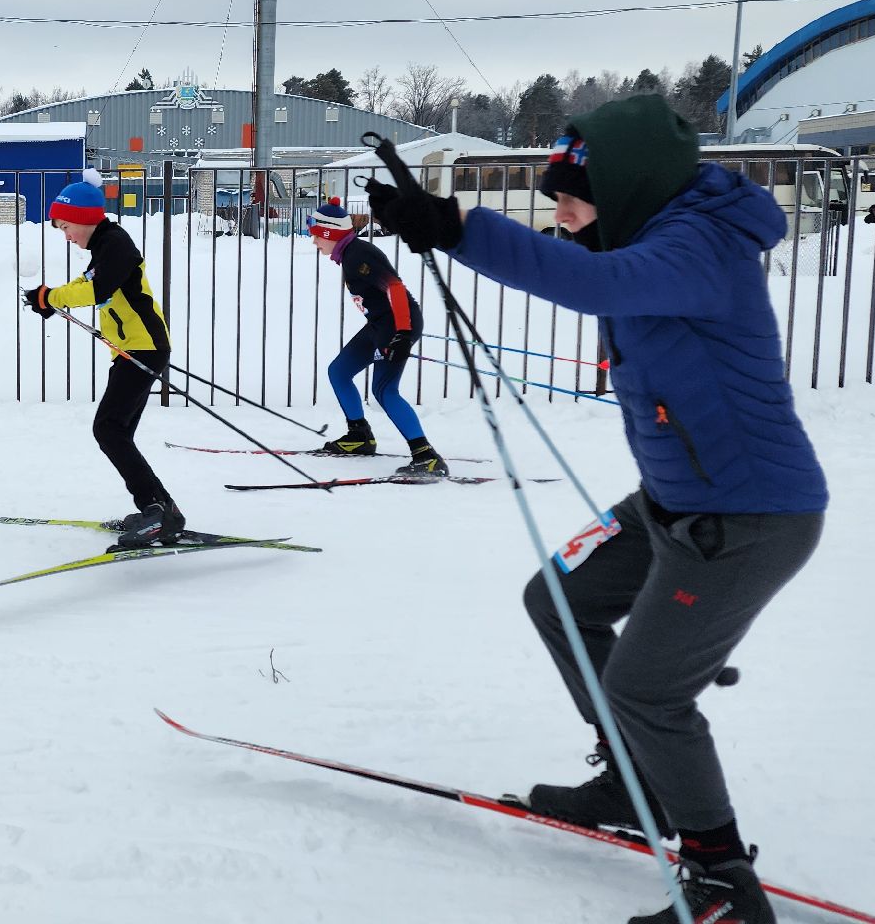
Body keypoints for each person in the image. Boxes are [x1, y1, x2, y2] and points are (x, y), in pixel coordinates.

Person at [369, 93, 827, 924]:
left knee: (649, 692)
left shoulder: (700, 247)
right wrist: (441, 227)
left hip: (748, 518)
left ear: (625, 186)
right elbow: (591, 268)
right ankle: (633, 779)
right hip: (672, 506)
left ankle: (723, 885)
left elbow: (595, 284)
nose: (565, 217)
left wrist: (459, 228)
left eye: (574, 199)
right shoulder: (656, 233)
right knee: (559, 600)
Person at [23, 169, 185, 547]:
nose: (65, 236)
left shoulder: (117, 245)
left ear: (82, 218)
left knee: (108, 429)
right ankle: (163, 510)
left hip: (144, 348)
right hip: (134, 348)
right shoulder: (105, 246)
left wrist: (53, 297)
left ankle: (155, 512)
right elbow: (86, 283)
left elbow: (98, 290)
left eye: (65, 227)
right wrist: (49, 296)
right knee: (117, 431)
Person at [305, 198, 447, 478]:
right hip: (381, 324)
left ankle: (426, 456)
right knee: (339, 371)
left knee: (384, 390)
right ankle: (359, 436)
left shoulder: (359, 255)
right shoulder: (350, 254)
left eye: (316, 237)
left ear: (330, 233)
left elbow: (395, 288)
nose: (314, 243)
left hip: (396, 326)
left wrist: (403, 334)